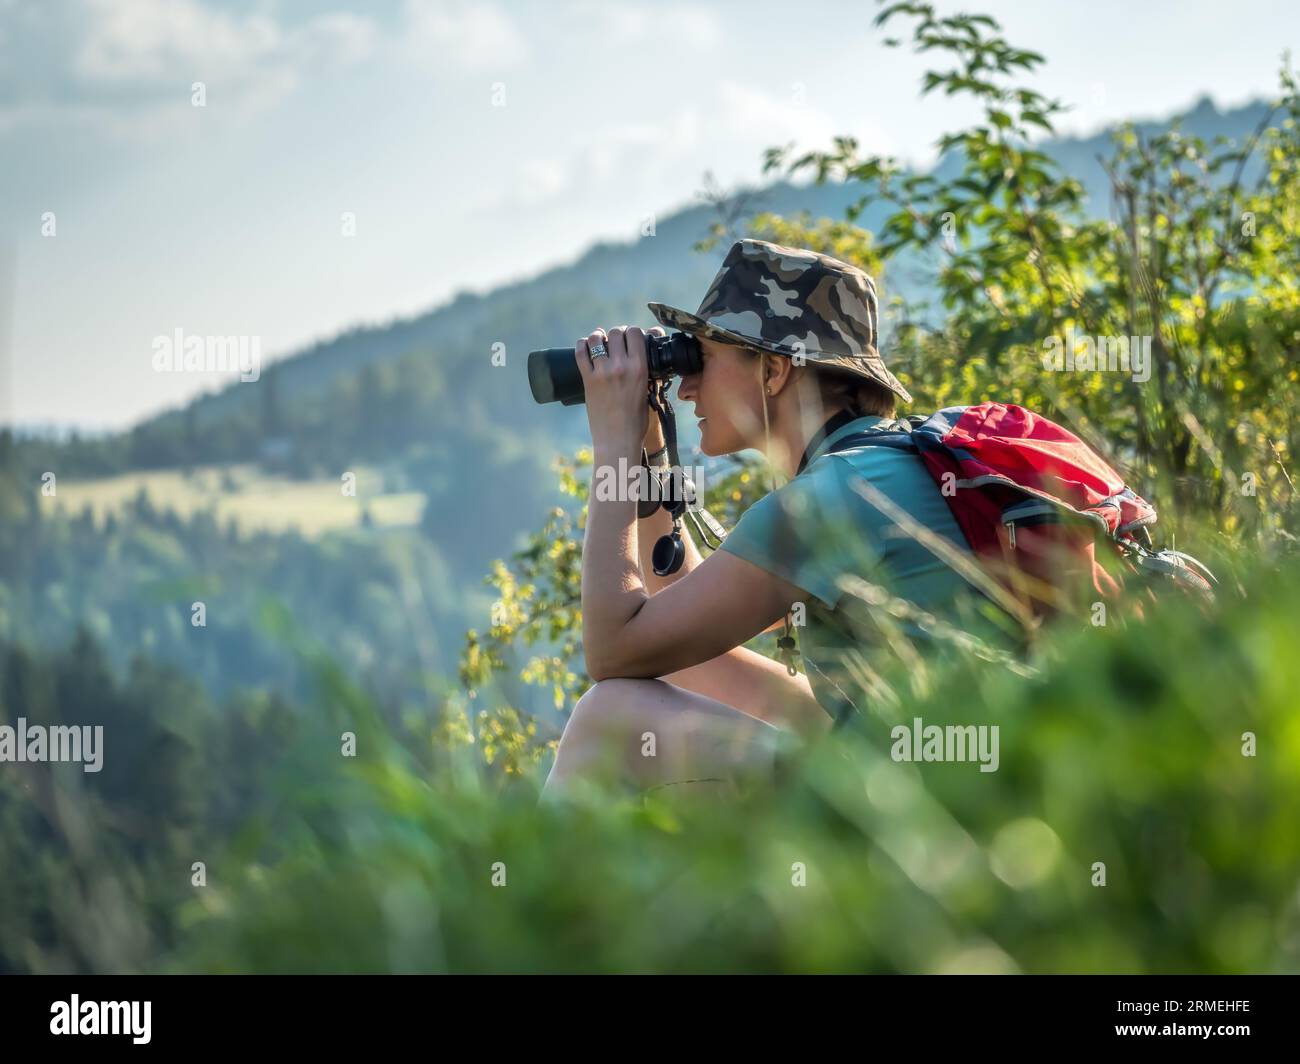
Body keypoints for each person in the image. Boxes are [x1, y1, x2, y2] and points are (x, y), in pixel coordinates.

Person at [541, 239, 991, 801]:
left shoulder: (829, 498)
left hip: (935, 800)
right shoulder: (886, 465)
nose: (685, 388)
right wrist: (646, 449)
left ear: (774, 371)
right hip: (977, 760)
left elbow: (611, 651)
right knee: (693, 668)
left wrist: (611, 446)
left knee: (608, 715)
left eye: (701, 359)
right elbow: (670, 620)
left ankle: (532, 892)